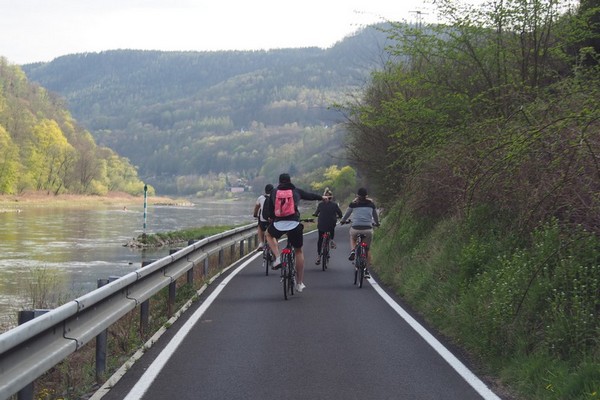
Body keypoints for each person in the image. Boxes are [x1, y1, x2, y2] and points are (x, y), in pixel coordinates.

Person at [263, 173, 324, 293]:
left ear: (279, 182)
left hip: (278, 225)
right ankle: (299, 283)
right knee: (298, 251)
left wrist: (271, 217)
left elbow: (270, 210)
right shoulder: (296, 191)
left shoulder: (274, 192)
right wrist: (322, 198)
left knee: (268, 234)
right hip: (294, 225)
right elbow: (310, 196)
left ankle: (278, 257)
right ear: (290, 181)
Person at [340, 187, 380, 278]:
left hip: (356, 227)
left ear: (357, 195)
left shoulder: (353, 204)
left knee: (352, 237)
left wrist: (343, 221)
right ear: (366, 195)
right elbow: (375, 216)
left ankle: (353, 250)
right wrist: (377, 223)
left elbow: (347, 214)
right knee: (367, 249)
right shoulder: (371, 204)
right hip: (368, 229)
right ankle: (366, 270)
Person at [313, 188, 342, 265]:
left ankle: (319, 256)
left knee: (320, 239)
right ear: (331, 197)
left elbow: (316, 213)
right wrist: (339, 217)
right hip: (331, 224)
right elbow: (340, 214)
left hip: (321, 224)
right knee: (332, 226)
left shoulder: (320, 205)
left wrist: (315, 214)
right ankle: (332, 240)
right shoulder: (334, 205)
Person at [253, 183, 274, 251]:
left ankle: (261, 243)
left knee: (260, 227)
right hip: (272, 220)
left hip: (263, 220)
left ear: (265, 191)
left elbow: (256, 208)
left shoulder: (260, 198)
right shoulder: (275, 197)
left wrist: (255, 215)